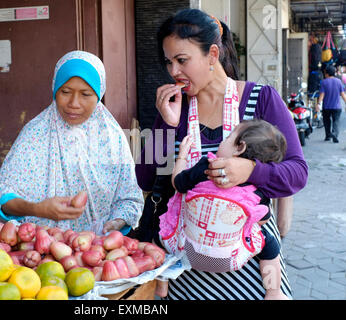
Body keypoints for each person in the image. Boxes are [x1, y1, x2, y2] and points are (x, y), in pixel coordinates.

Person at [135, 9, 308, 300]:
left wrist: (250, 170)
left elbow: (297, 172)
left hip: (252, 271)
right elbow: (145, 177)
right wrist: (166, 122)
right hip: (184, 276)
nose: (173, 71)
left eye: (182, 60)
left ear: (212, 54)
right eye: (168, 62)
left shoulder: (261, 99)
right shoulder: (174, 108)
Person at [0, 50, 144, 234]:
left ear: (99, 94)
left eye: (85, 94)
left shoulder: (112, 137)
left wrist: (117, 222)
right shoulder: (35, 134)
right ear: (55, 90)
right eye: (66, 91)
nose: (74, 103)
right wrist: (36, 209)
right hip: (40, 249)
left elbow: (130, 199)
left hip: (99, 251)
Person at [158, 119, 288, 300]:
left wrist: (182, 157)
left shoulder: (205, 166)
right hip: (231, 257)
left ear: (239, 147)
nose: (221, 142)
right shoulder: (256, 187)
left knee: (161, 231)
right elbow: (262, 217)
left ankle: (163, 281)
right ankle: (274, 292)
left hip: (186, 250)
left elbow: (178, 184)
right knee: (271, 245)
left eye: (227, 139)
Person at [317, 65, 346, 143]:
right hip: (337, 106)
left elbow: (322, 95)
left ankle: (328, 136)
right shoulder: (339, 81)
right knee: (336, 121)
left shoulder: (324, 82)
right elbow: (343, 94)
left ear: (327, 73)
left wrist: (318, 104)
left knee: (327, 121)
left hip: (326, 106)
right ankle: (334, 134)